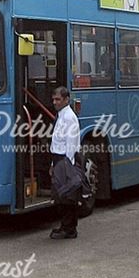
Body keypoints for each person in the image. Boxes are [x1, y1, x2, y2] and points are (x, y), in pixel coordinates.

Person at [49, 86, 81, 240]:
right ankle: (65, 225)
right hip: (58, 159)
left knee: (68, 196)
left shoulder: (69, 117)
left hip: (65, 160)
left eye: (58, 99)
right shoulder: (61, 115)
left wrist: (67, 166)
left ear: (66, 100)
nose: (55, 102)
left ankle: (70, 229)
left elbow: (72, 143)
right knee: (61, 196)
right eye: (53, 99)